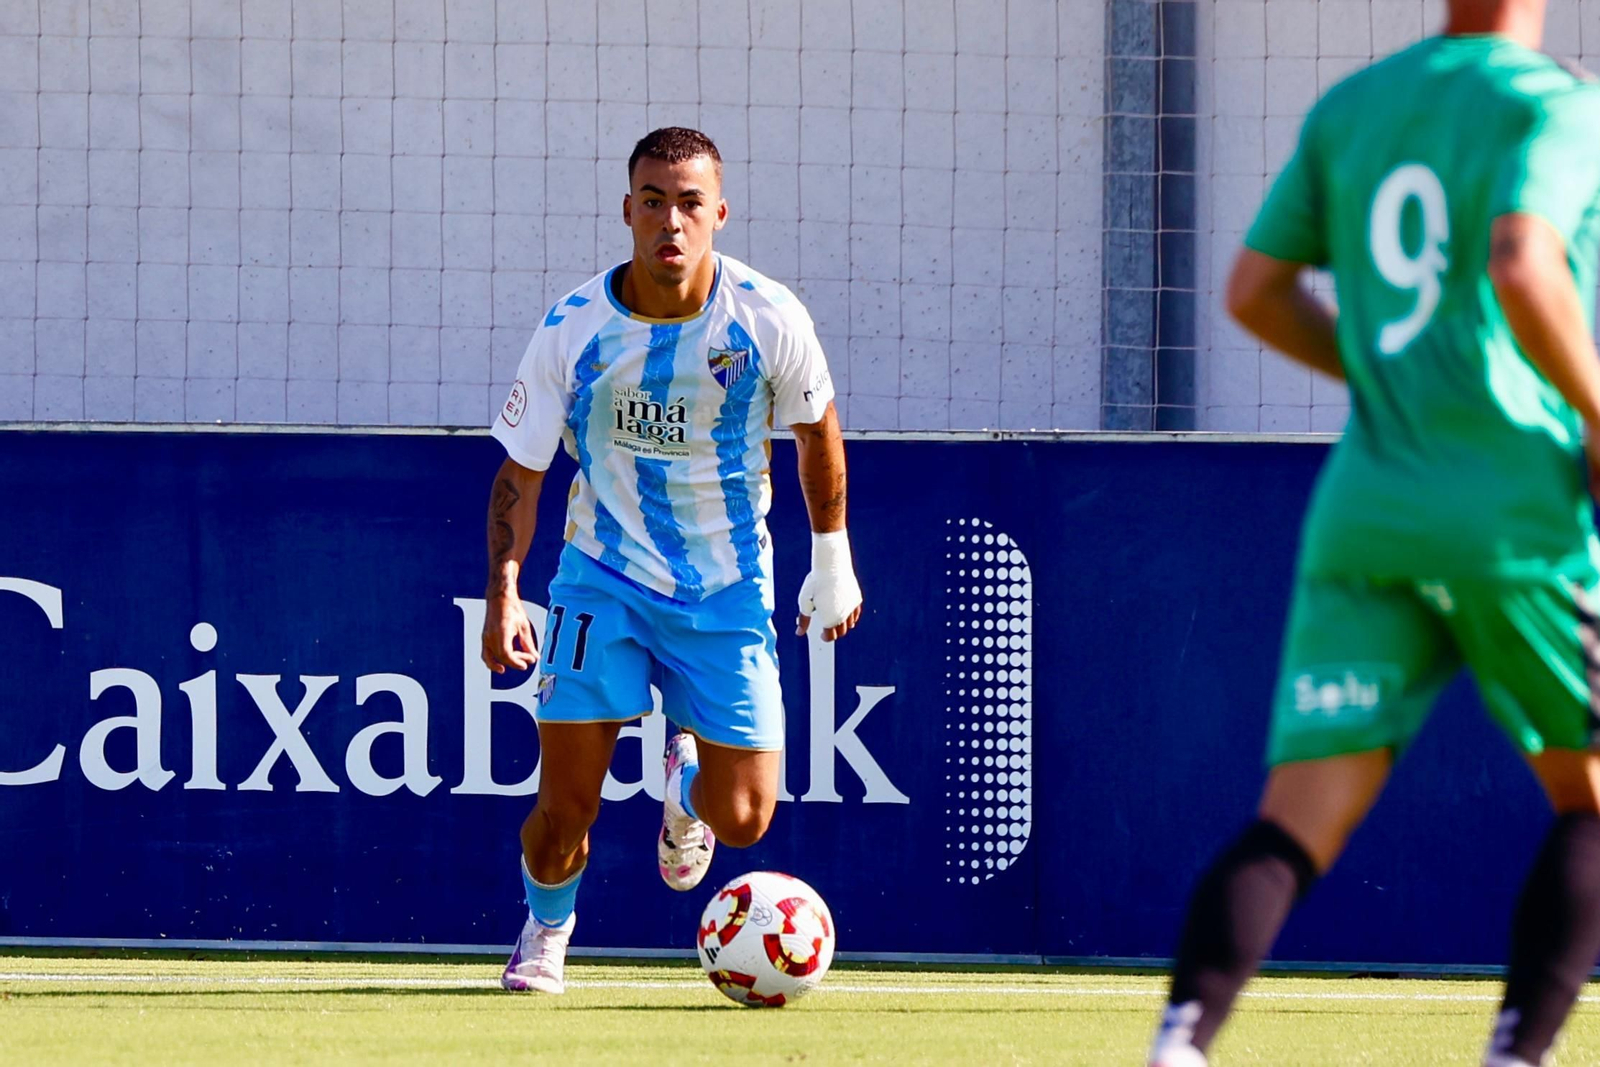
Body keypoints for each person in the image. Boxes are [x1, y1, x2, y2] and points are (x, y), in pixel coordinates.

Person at [1148, 3, 1600, 1064]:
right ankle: (1515, 1052)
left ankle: (1178, 1042)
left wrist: (1394, 378)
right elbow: (1521, 265)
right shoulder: (1554, 105)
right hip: (1511, 506)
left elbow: (1254, 292)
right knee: (1589, 800)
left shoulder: (1355, 103)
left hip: (1367, 503)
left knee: (1295, 819)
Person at [478, 127, 862, 996]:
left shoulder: (768, 317)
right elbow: (520, 473)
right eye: (653, 201)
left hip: (725, 591)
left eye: (690, 203)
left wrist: (831, 558)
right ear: (628, 211)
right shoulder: (574, 328)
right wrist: (505, 592)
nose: (672, 222)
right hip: (600, 582)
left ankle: (686, 782)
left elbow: (819, 432)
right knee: (564, 808)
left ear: (719, 213)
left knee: (744, 816)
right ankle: (546, 930)